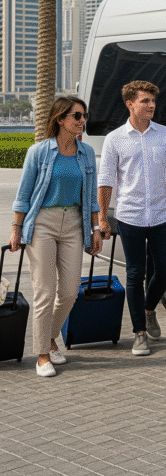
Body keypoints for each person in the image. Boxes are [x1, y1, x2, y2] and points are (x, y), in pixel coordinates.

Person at [8, 97, 102, 377]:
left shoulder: (86, 153)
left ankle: (49, 336)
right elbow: (23, 195)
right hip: (43, 224)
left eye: (84, 115)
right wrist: (16, 229)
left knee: (71, 291)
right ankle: (42, 355)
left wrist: (96, 229)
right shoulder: (39, 152)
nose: (82, 120)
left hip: (75, 223)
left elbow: (93, 197)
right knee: (45, 292)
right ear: (60, 119)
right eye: (76, 115)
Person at [97, 80, 166, 357]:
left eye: (153, 101)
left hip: (160, 214)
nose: (151, 105)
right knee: (135, 274)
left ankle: (149, 310)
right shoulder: (115, 139)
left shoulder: (165, 134)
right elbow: (106, 181)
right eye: (145, 101)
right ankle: (139, 333)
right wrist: (102, 218)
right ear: (130, 104)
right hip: (130, 215)